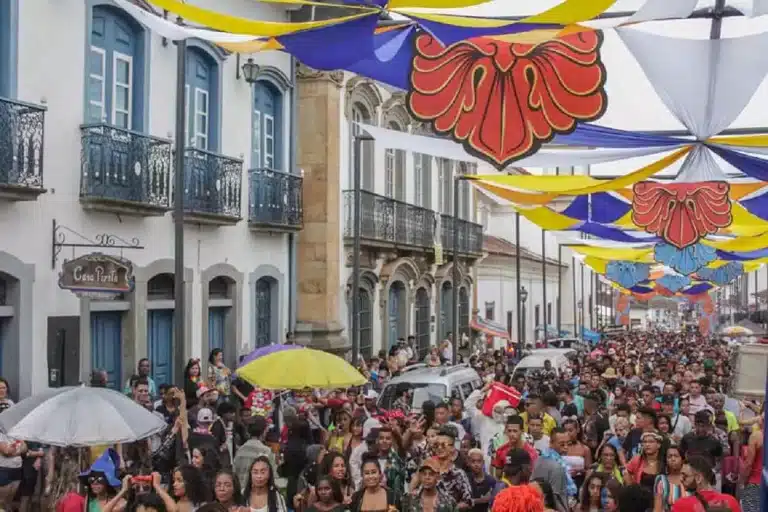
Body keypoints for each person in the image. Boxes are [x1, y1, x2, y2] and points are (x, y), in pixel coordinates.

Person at [671, 456, 740, 512]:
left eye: (684, 475)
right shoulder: (730, 501)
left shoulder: (682, 504)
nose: (681, 479)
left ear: (698, 478)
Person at [654, 444, 687, 512]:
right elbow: (657, 508)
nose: (673, 459)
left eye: (676, 456)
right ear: (666, 460)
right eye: (669, 457)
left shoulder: (689, 478)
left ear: (682, 459)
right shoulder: (661, 479)